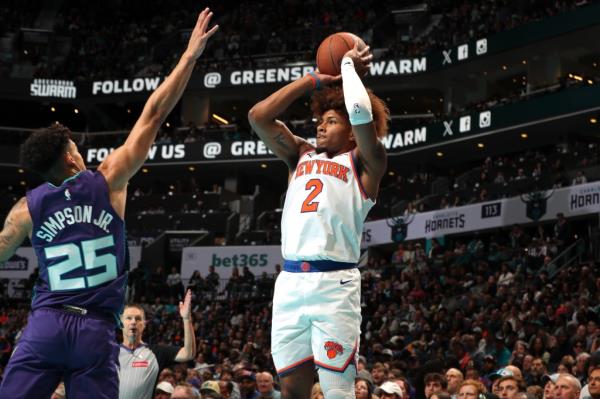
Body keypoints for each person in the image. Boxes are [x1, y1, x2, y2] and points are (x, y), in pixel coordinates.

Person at [0, 8, 218, 399]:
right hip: (95, 330)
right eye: (74, 146)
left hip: (45, 325)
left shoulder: (25, 209)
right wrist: (189, 57)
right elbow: (154, 113)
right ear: (70, 159)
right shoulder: (108, 180)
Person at [249, 38, 388, 399]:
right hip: (291, 282)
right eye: (319, 120)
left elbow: (360, 113)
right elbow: (258, 117)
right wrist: (312, 81)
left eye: (330, 120)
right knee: (291, 390)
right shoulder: (300, 154)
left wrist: (346, 69)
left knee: (337, 391)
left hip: (335, 284)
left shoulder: (366, 161)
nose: (320, 127)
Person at [119, 290, 196, 399]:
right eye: (129, 318)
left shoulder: (157, 353)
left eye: (138, 318)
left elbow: (189, 354)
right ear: (121, 323)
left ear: (144, 324)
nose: (133, 322)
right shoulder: (108, 353)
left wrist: (187, 318)